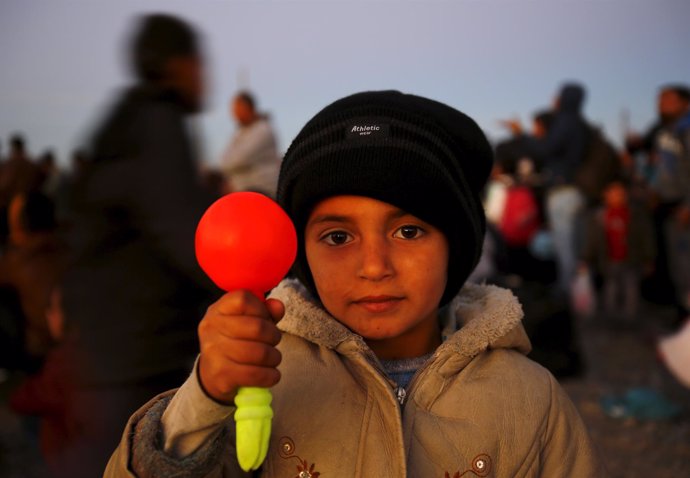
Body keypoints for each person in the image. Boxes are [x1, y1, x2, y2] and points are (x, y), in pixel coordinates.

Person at [104, 90, 605, 477]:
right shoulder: (256, 377)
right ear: (299, 251)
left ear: (458, 245)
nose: (374, 266)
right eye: (338, 236)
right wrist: (206, 395)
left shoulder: (528, 400)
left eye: (408, 231)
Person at [58, 13, 219, 477]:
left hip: (107, 349)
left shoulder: (123, 123)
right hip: (143, 353)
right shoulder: (156, 123)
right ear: (175, 65)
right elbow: (187, 238)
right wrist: (258, 285)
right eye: (197, 63)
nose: (203, 76)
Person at [501, 83, 591, 298]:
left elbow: (545, 149)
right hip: (576, 192)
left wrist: (520, 134)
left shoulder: (565, 121)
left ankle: (566, 298)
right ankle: (579, 296)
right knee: (575, 248)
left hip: (562, 193)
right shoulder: (581, 124)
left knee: (565, 250)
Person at [580, 180, 656, 321]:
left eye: (620, 194)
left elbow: (645, 236)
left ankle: (630, 319)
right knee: (611, 289)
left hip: (631, 259)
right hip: (609, 260)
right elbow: (593, 240)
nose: (617, 197)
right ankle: (612, 319)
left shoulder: (635, 215)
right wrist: (586, 259)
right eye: (613, 194)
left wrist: (648, 258)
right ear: (606, 195)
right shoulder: (600, 216)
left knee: (631, 289)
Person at [220, 91, 282, 198]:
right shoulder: (240, 133)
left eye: (238, 108)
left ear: (249, 108)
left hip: (263, 193)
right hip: (243, 193)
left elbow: (238, 160)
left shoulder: (263, 130)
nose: (235, 114)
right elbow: (224, 161)